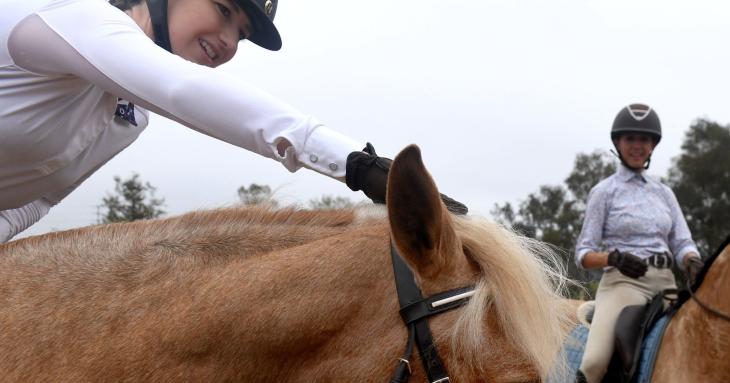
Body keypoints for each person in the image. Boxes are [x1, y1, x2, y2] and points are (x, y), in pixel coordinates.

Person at [0, 0, 465, 243]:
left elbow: (36, 199)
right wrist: (354, 164)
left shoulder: (130, 117)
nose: (228, 43)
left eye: (240, 34)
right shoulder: (75, 16)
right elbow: (181, 90)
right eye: (223, 11)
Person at [568, 102, 703, 383]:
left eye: (644, 140)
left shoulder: (664, 193)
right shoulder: (604, 192)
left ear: (653, 146)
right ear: (618, 143)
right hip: (623, 283)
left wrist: (692, 261)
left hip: (665, 283)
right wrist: (613, 257)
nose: (637, 145)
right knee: (596, 361)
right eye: (630, 138)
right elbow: (583, 253)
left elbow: (682, 240)